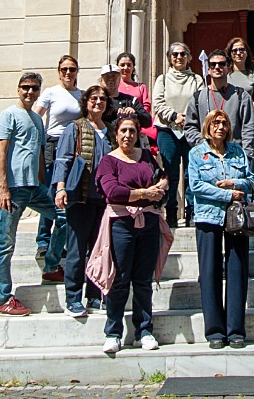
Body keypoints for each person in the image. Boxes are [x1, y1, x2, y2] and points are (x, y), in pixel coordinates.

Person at [95, 115, 170, 355]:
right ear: (116, 135)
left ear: (138, 135)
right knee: (120, 278)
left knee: (143, 278)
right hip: (121, 224)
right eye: (123, 131)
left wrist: (161, 187)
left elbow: (161, 177)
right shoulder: (109, 161)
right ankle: (113, 332)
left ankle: (144, 330)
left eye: (132, 131)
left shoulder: (147, 157)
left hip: (147, 222)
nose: (128, 135)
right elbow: (112, 191)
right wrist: (145, 193)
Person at [186, 109, 254, 349]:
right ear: (207, 126)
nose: (220, 127)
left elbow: (250, 181)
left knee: (237, 270)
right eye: (215, 123)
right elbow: (195, 185)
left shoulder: (237, 152)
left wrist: (235, 184)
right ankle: (215, 331)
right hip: (208, 217)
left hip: (237, 217)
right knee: (210, 272)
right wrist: (226, 194)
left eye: (224, 123)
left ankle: (235, 330)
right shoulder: (197, 154)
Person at [0, 71, 60, 316]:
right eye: (25, 87)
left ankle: (51, 267)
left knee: (63, 216)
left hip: (35, 188)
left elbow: (40, 155)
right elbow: (1, 152)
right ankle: (3, 297)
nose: (29, 91)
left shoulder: (36, 119)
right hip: (13, 190)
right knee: (6, 243)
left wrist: (44, 185)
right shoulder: (9, 115)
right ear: (18, 89)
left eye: (34, 88)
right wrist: (3, 188)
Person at [51, 84, 113, 317]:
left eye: (102, 99)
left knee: (99, 250)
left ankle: (96, 295)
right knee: (77, 250)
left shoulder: (111, 130)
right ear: (86, 102)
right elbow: (63, 159)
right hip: (80, 197)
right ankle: (73, 298)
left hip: (104, 200)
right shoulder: (74, 128)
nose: (98, 102)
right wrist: (60, 188)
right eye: (94, 98)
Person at [34, 54, 83, 282]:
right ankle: (43, 242)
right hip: (53, 146)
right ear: (58, 71)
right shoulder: (51, 93)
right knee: (51, 194)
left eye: (71, 69)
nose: (68, 73)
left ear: (77, 71)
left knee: (67, 196)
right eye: (64, 69)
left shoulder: (80, 95)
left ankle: (59, 241)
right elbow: (36, 117)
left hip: (73, 148)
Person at [152, 42, 204, 227]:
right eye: (175, 54)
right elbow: (157, 103)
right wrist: (174, 116)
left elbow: (200, 102)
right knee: (170, 172)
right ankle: (171, 211)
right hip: (167, 130)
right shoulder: (163, 79)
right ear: (169, 58)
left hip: (190, 131)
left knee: (192, 172)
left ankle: (191, 211)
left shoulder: (197, 79)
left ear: (189, 57)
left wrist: (186, 119)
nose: (179, 57)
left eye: (183, 54)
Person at [183, 49, 254, 162]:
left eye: (221, 64)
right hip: (207, 159)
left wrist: (246, 156)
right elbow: (190, 127)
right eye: (213, 65)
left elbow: (248, 128)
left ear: (228, 68)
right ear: (208, 69)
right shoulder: (198, 97)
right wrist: (204, 145)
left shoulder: (241, 96)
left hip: (235, 158)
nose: (217, 67)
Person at [225, 37, 254, 177]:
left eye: (242, 50)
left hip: (250, 124)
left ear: (247, 53)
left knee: (251, 164)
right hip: (229, 127)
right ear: (230, 54)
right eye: (234, 50)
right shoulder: (225, 76)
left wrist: (244, 115)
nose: (238, 53)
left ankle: (252, 196)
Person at [116, 52, 156, 143]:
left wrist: (136, 112)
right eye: (122, 65)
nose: (126, 68)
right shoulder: (115, 87)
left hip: (137, 127)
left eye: (129, 65)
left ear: (133, 67)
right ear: (117, 67)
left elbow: (146, 107)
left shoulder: (141, 87)